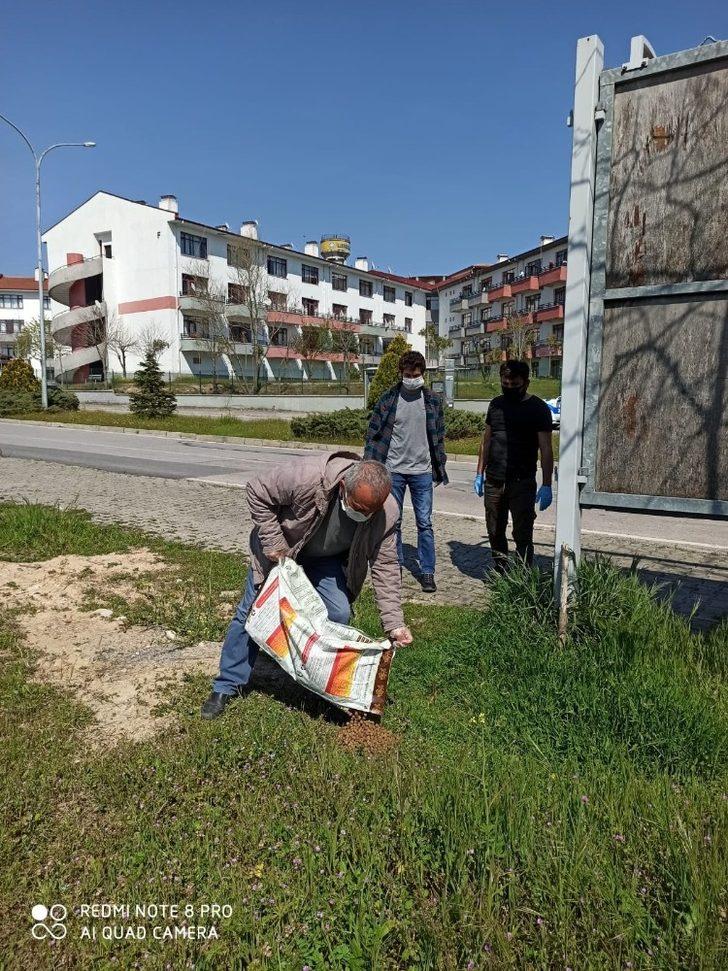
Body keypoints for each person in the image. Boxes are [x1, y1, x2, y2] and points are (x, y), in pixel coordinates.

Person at [201, 454, 413, 719]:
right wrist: (274, 544)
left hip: (327, 561)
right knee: (252, 610)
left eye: (370, 512)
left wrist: (394, 622)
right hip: (282, 551)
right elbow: (257, 489)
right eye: (358, 508)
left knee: (337, 614)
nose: (364, 515)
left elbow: (386, 565)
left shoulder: (386, 511)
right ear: (343, 488)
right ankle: (227, 685)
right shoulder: (307, 476)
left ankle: (319, 685)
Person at [364, 350, 447, 593]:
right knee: (394, 522)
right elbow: (373, 435)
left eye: (417, 374)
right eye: (408, 374)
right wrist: (370, 467)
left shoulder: (432, 400)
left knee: (425, 523)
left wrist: (438, 465)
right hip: (394, 471)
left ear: (423, 374)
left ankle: (428, 571)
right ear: (401, 373)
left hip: (422, 471)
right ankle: (395, 568)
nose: (412, 378)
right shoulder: (389, 400)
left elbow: (439, 437)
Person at [473, 359, 553, 572]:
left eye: (514, 385)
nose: (509, 388)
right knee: (494, 530)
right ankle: (501, 571)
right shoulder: (496, 405)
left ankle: (523, 576)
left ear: (526, 383)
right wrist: (479, 472)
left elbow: (546, 449)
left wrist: (547, 484)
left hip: (522, 482)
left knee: (523, 533)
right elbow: (487, 440)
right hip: (494, 480)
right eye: (505, 384)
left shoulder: (538, 409)